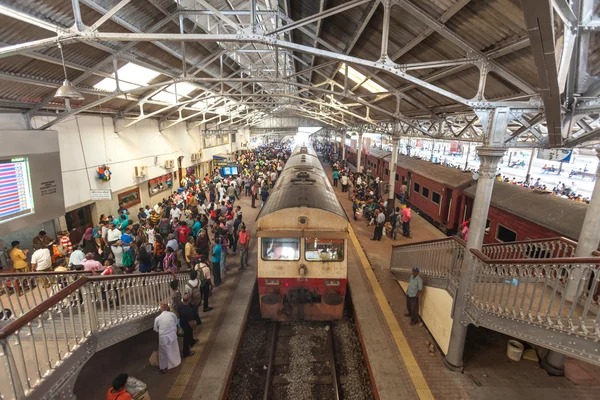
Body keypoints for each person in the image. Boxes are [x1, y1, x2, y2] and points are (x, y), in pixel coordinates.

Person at [153, 302, 181, 373]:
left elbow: (156, 329)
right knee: (174, 350)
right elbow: (175, 323)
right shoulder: (172, 314)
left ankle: (164, 368)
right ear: (168, 308)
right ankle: (176, 363)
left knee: (163, 353)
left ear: (160, 309)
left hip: (164, 338)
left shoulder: (157, 318)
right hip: (173, 336)